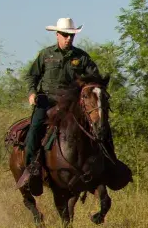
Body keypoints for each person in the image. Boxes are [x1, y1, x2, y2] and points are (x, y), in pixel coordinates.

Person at [16, 18, 121, 190]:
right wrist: (32, 93)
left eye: (71, 35)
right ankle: (31, 169)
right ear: (57, 35)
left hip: (72, 103)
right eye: (65, 35)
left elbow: (95, 79)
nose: (68, 39)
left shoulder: (82, 57)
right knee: (34, 128)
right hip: (47, 100)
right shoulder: (46, 55)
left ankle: (111, 164)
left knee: (102, 126)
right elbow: (31, 76)